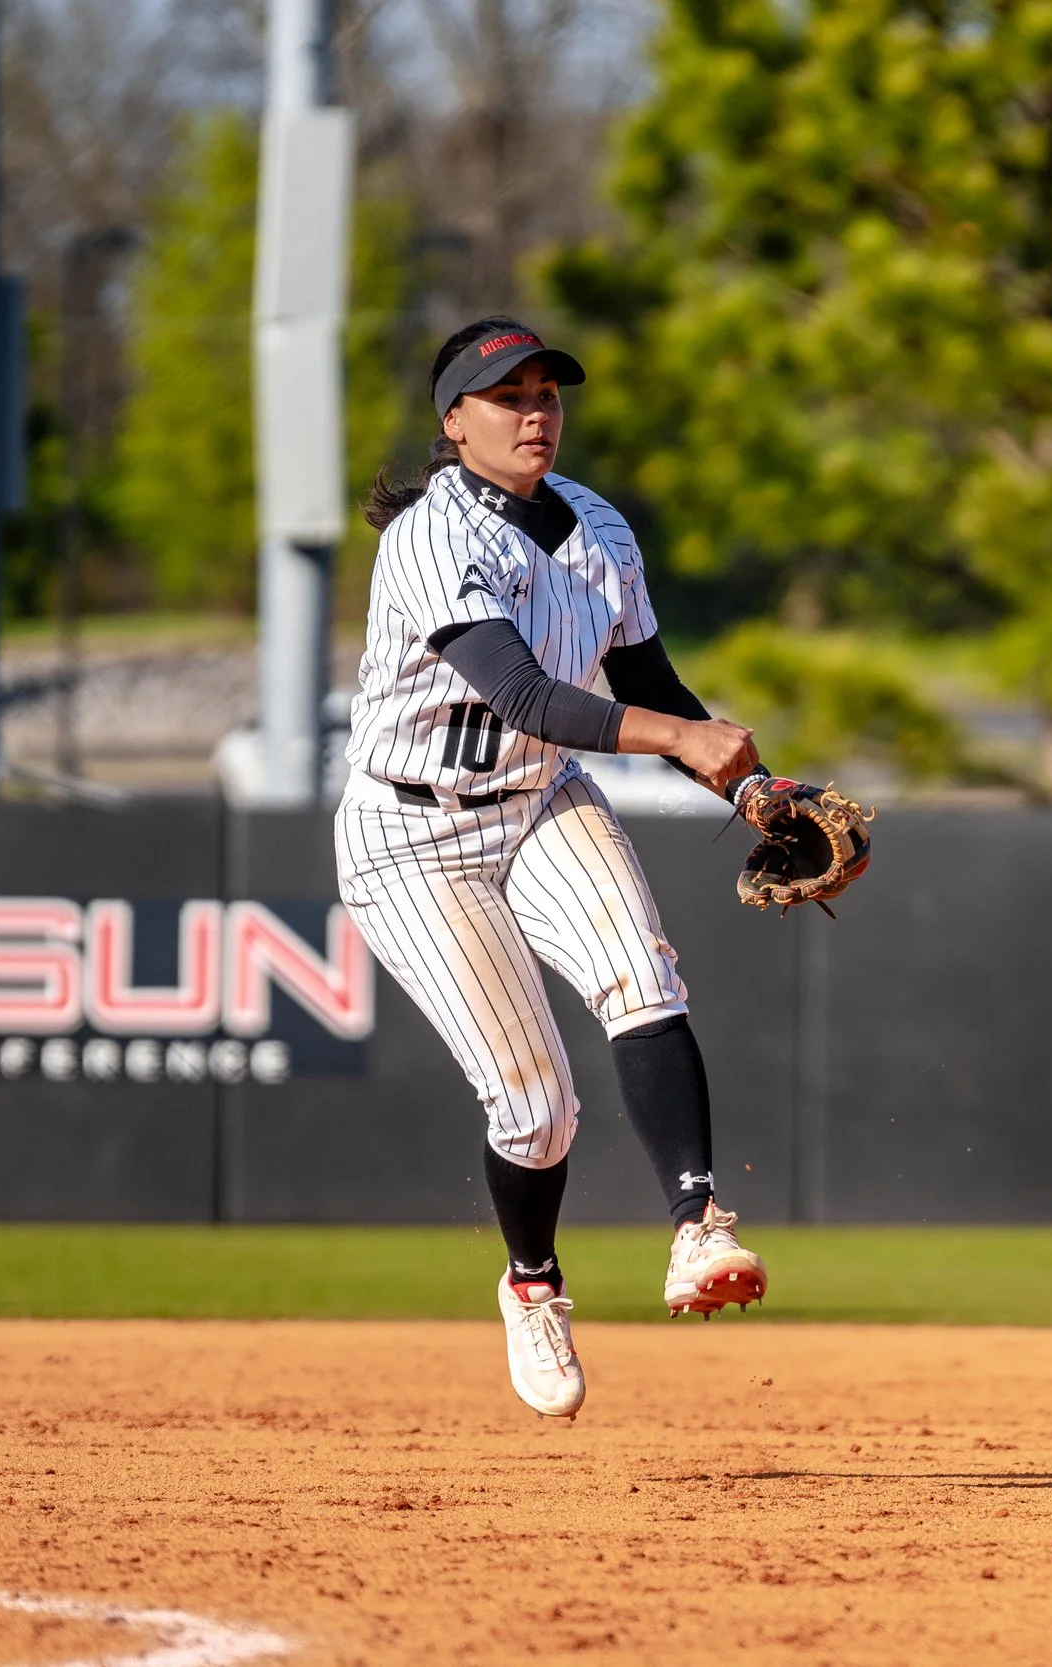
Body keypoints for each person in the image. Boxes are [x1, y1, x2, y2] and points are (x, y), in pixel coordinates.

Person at [338, 316, 771, 1419]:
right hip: (411, 834)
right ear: (454, 422)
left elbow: (651, 685)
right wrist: (684, 741)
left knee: (644, 975)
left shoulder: (598, 525)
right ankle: (532, 1282)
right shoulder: (428, 539)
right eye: (508, 395)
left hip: (537, 800)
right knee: (536, 1111)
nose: (535, 411)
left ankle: (698, 1225)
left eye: (547, 392)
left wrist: (756, 792)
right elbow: (527, 694)